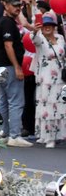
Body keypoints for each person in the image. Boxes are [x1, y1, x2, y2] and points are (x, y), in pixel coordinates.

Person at [0, 0, 33, 147]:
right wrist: (17, 66)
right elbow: (8, 46)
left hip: (1, 66)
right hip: (9, 67)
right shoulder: (8, 23)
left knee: (3, 101)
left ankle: (5, 133)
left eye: (19, 6)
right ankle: (15, 135)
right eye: (14, 5)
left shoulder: (5, 22)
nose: (17, 8)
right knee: (16, 101)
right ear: (6, 6)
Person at [30, 13, 66, 148]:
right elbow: (34, 39)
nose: (47, 28)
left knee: (59, 106)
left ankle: (57, 135)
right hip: (45, 78)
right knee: (46, 106)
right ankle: (46, 136)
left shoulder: (61, 38)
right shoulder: (40, 38)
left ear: (54, 26)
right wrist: (35, 29)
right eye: (45, 25)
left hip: (60, 77)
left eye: (50, 25)